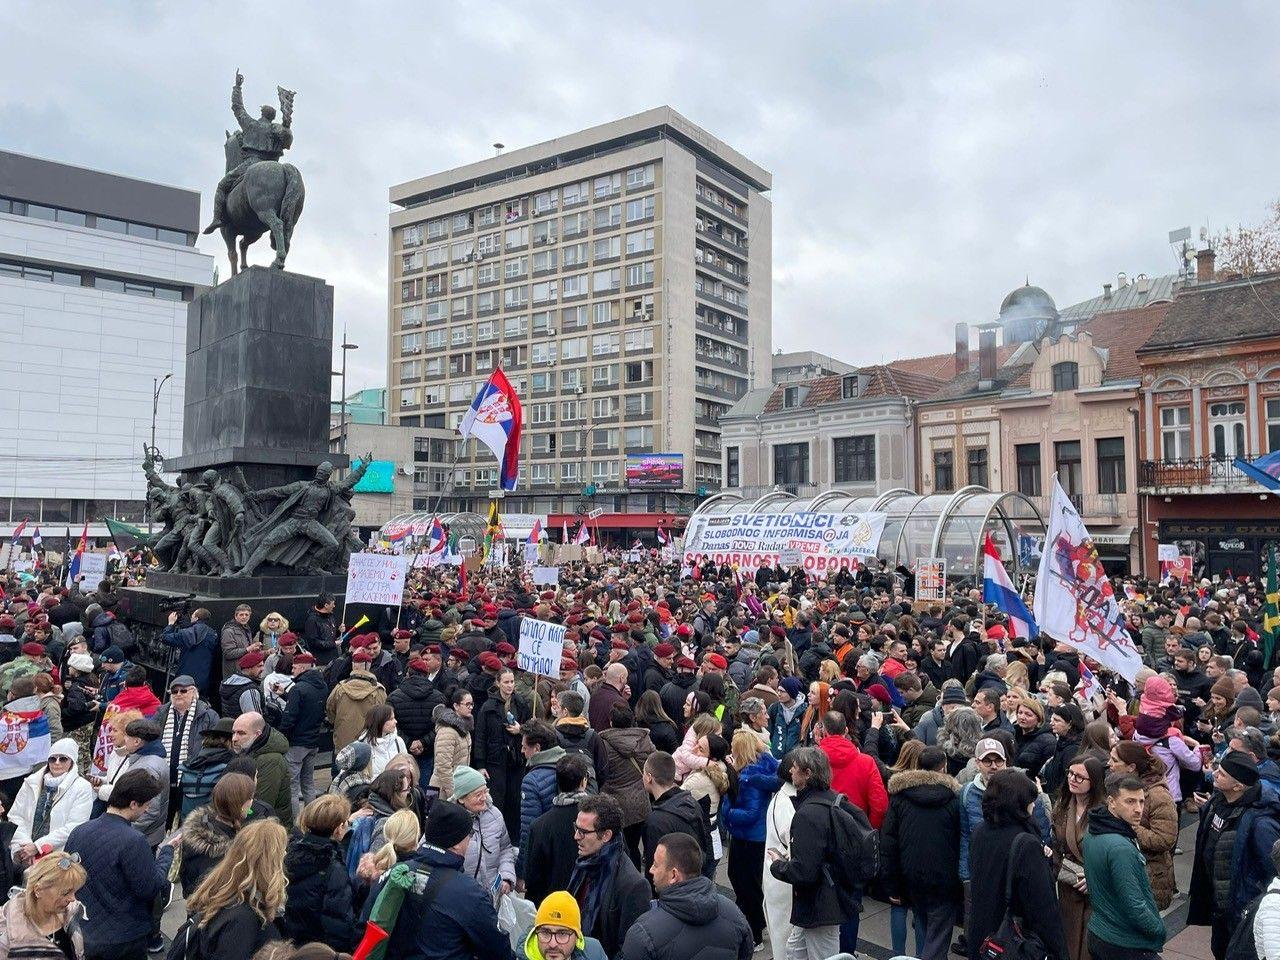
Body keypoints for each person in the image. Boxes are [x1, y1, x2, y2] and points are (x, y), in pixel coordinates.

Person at [65, 769, 181, 960]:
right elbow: (150, 888)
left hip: (83, 931)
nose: (147, 810)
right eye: (147, 804)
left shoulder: (79, 831)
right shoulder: (134, 841)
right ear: (134, 804)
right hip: (123, 939)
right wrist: (167, 853)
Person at [381, 799, 516, 960]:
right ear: (457, 844)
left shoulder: (394, 873)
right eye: (469, 835)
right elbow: (497, 950)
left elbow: (366, 926)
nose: (470, 840)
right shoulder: (469, 893)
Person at [965, 768, 1068, 960]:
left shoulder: (980, 831)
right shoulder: (1026, 843)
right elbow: (1042, 908)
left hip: (984, 937)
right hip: (1013, 943)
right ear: (1019, 804)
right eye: (1031, 800)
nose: (1034, 806)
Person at [766, 746, 857, 960]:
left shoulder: (808, 813)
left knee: (822, 956)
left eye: (795, 768)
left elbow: (805, 872)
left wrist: (778, 865)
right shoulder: (832, 800)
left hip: (819, 905)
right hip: (822, 900)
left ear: (807, 774)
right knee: (793, 952)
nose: (790, 771)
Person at [1188, 749, 1280, 959]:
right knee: (1220, 950)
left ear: (1238, 786)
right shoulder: (1217, 803)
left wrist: (1250, 905)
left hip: (1239, 910)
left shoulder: (1261, 824)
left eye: (1221, 773)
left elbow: (1273, 869)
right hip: (1219, 907)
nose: (1214, 774)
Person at [880, 744, 961, 960]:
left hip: (910, 874)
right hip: (944, 877)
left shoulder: (899, 798)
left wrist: (891, 882)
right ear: (943, 768)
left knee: (918, 916)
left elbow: (888, 842)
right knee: (937, 930)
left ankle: (905, 956)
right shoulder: (953, 799)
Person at [618, 831, 753, 960]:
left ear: (674, 875)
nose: (651, 870)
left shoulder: (643, 933)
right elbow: (745, 953)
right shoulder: (734, 913)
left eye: (655, 864)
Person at [1080, 773, 1166, 960]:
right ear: (1111, 802)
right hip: (1124, 943)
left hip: (1101, 932)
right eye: (1130, 802)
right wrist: (1158, 929)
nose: (1138, 809)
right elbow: (1134, 903)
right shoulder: (1120, 847)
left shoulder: (1094, 829)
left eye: (1141, 802)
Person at [183, 819, 287, 960]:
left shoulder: (223, 893)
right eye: (282, 851)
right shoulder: (244, 920)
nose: (286, 854)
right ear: (269, 864)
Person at [567, 794, 651, 958]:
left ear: (606, 835)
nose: (576, 836)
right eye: (576, 828)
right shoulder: (585, 861)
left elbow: (630, 949)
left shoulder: (633, 885)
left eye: (583, 832)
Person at [722, 728, 779, 949]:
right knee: (744, 880)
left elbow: (750, 813)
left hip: (748, 838)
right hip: (751, 837)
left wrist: (727, 815)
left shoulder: (748, 778)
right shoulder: (760, 769)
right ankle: (755, 923)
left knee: (746, 884)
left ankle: (754, 931)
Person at [1107, 740, 1179, 910]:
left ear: (1131, 767)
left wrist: (1129, 826)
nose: (1109, 764)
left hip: (1149, 878)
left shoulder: (1158, 796)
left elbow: (1165, 839)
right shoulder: (1117, 787)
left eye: (1115, 760)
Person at [282, 794, 357, 953]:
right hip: (318, 950)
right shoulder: (333, 868)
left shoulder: (289, 852)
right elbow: (338, 923)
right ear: (338, 828)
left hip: (290, 943)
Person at [1051, 753, 1107, 960]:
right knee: (1068, 942)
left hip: (1095, 889)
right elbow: (1056, 845)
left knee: (1088, 948)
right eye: (1070, 774)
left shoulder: (1105, 812)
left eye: (1080, 777)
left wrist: (1094, 878)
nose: (1073, 779)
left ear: (1094, 781)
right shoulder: (1063, 805)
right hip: (1068, 883)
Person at [8, 738, 93, 866]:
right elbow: (15, 816)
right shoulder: (31, 782)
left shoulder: (82, 787)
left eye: (63, 758)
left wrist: (38, 847)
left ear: (72, 761)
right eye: (52, 759)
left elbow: (74, 826)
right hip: (25, 855)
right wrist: (24, 847)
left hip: (58, 857)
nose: (57, 763)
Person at [524, 754, 593, 908]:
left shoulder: (539, 826)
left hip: (553, 907)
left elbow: (532, 878)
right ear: (584, 782)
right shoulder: (599, 818)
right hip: (588, 904)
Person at [154, 674, 218, 828]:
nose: (178, 694)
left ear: (193, 692)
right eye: (174, 691)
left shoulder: (208, 716)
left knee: (188, 824)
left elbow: (214, 747)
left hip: (192, 779)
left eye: (183, 691)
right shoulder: (162, 713)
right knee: (162, 821)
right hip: (164, 778)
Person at [0, 848, 87, 960]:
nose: (72, 899)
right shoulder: (6, 937)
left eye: (74, 891)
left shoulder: (69, 913)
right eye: (65, 893)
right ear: (38, 890)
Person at [180, 771, 256, 893]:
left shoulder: (204, 825)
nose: (252, 802)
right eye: (250, 798)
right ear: (240, 804)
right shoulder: (221, 854)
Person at [598, 704, 655, 866]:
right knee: (634, 846)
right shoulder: (644, 740)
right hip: (639, 803)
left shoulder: (603, 744)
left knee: (616, 849)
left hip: (614, 804)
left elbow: (601, 772)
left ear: (611, 722)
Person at [641, 752, 710, 875]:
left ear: (649, 777)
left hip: (670, 887)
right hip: (692, 877)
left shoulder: (656, 821)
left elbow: (654, 867)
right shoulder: (692, 803)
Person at [816, 710, 887, 828]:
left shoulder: (812, 761)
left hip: (822, 830)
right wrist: (868, 830)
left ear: (824, 731)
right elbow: (880, 806)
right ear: (846, 730)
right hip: (857, 831)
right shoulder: (867, 762)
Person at [279, 652, 327, 815]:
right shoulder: (322, 685)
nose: (292, 669)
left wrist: (281, 735)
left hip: (296, 744)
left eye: (294, 666)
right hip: (313, 742)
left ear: (303, 667)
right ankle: (313, 818)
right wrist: (286, 695)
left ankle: (296, 825)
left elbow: (290, 718)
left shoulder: (297, 689)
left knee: (292, 786)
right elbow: (309, 706)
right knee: (308, 782)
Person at [231, 712, 293, 826]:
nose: (234, 738)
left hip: (268, 831)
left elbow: (261, 804)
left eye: (241, 733)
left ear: (257, 734)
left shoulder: (270, 760)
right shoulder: (248, 752)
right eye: (233, 733)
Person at [326, 650, 387, 752]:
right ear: (368, 666)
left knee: (339, 766)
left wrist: (337, 723)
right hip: (369, 742)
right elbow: (384, 716)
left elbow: (330, 709)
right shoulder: (378, 690)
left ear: (353, 665)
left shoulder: (339, 688)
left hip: (343, 742)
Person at [518, 891, 607, 960]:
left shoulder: (595, 952)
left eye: (562, 934)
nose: (553, 944)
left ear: (577, 936)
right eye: (545, 933)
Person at [162, 607, 219, 698]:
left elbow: (165, 638)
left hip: (184, 676)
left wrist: (171, 624)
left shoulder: (187, 633)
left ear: (196, 618)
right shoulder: (213, 634)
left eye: (192, 616)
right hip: (204, 677)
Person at [429, 687, 474, 802]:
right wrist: (454, 795)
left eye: (472, 704)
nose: (471, 708)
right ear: (456, 706)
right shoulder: (447, 731)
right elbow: (443, 767)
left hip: (457, 786)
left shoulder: (464, 727)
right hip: (442, 790)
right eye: (467, 704)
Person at [355, 705, 406, 778]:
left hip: (395, 787)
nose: (395, 721)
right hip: (370, 788)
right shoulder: (360, 746)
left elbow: (405, 767)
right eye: (391, 719)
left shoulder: (398, 741)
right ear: (380, 721)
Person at [301, 594, 339, 667]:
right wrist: (333, 644)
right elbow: (314, 642)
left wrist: (339, 631)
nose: (334, 606)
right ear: (326, 605)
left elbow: (331, 634)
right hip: (321, 661)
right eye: (333, 604)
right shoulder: (312, 620)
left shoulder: (331, 616)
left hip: (333, 658)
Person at [221, 604, 257, 680]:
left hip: (245, 671)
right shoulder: (228, 631)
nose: (244, 617)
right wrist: (248, 649)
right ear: (235, 616)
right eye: (241, 615)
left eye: (246, 615)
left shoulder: (246, 628)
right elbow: (228, 653)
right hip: (234, 673)